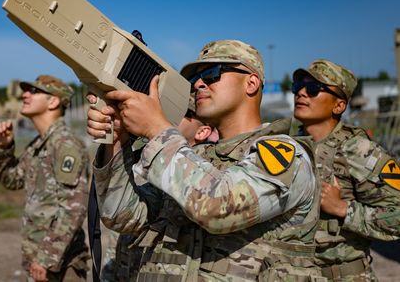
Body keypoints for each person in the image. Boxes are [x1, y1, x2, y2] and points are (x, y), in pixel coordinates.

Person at [87, 40, 323, 280]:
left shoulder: (286, 155)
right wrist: (117, 141)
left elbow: (217, 208)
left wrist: (156, 130)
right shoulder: (195, 158)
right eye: (195, 79)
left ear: (251, 83)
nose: (199, 84)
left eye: (212, 74)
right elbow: (123, 216)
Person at [292, 59, 400, 281]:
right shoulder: (290, 148)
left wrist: (343, 209)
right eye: (297, 87)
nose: (301, 93)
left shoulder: (359, 151)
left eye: (313, 89)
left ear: (339, 106)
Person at [100, 95, 215, 282]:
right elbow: (120, 219)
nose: (163, 115)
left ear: (202, 132)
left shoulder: (206, 178)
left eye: (183, 112)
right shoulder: (148, 161)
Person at [0, 75, 90, 282]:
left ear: (53, 101)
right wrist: (3, 147)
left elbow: (74, 208)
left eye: (34, 91)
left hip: (60, 265)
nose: (25, 95)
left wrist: (46, 258)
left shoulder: (65, 144)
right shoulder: (38, 144)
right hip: (40, 260)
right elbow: (12, 180)